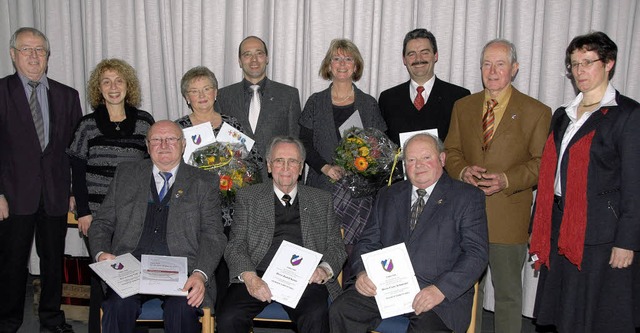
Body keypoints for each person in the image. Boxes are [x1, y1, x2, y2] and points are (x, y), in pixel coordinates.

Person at [529, 31, 640, 332]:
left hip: (601, 236)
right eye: (574, 64)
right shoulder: (562, 114)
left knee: (594, 317)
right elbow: (549, 175)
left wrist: (626, 242)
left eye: (588, 62)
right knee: (564, 314)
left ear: (609, 64)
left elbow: (635, 185)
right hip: (559, 227)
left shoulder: (627, 115)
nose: (579, 71)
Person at [329, 133, 488, 333]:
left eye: (426, 157)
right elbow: (367, 242)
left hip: (436, 297)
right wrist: (362, 272)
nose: (418, 165)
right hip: (385, 288)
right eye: (411, 160)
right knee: (341, 310)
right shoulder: (388, 194)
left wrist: (440, 290)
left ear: (442, 159)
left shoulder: (467, 197)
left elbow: (476, 254)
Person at [443, 39, 551, 332]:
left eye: (500, 64)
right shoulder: (462, 107)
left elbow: (543, 163)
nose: (492, 71)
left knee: (507, 295)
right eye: (487, 64)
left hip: (508, 217)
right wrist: (462, 170)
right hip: (465, 216)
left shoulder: (537, 111)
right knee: (466, 291)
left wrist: (506, 180)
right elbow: (450, 151)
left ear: (514, 69)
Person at [88, 120, 226, 333]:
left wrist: (200, 274)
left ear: (183, 144)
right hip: (131, 268)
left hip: (184, 272)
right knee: (117, 306)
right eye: (156, 140)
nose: (163, 145)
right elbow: (102, 223)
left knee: (181, 310)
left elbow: (213, 235)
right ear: (147, 144)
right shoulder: (126, 174)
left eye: (171, 139)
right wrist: (100, 254)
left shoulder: (204, 182)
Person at [216, 136, 347, 333]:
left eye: (292, 161)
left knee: (316, 314)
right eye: (279, 161)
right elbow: (235, 245)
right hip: (257, 273)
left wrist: (323, 270)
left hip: (304, 278)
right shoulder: (248, 197)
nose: (286, 167)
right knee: (228, 317)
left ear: (301, 167)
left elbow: (336, 246)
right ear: (269, 166)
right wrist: (251, 279)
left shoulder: (321, 199)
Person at [0, 27, 83, 333]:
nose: (34, 56)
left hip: (55, 194)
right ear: (13, 55)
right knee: (11, 264)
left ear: (48, 57)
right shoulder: (1, 92)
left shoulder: (67, 95)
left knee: (53, 262)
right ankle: (7, 321)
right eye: (26, 49)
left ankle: (51, 318)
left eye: (40, 50)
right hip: (13, 196)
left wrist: (73, 190)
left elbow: (75, 150)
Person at [67, 58, 154, 332]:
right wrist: (83, 211)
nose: (113, 87)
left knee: (131, 273)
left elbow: (153, 169)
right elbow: (77, 171)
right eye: (106, 81)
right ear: (99, 88)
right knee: (102, 278)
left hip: (134, 214)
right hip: (96, 214)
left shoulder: (144, 122)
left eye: (119, 81)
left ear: (128, 86)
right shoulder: (87, 125)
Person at [299, 39, 386, 266]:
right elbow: (303, 143)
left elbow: (379, 148)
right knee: (320, 249)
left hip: (359, 192)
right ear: (328, 66)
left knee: (354, 252)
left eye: (348, 59)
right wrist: (325, 167)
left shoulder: (368, 104)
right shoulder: (315, 102)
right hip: (322, 185)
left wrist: (362, 166)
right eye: (336, 58)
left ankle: (348, 297)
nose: (342, 64)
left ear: (356, 66)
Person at [175, 65, 264, 228]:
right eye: (194, 91)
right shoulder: (178, 128)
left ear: (215, 93)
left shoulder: (232, 124)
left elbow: (254, 159)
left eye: (207, 88)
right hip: (194, 207)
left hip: (232, 208)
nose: (202, 95)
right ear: (187, 97)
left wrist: (238, 173)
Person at [216, 36, 301, 180]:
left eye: (259, 53)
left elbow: (296, 142)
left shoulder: (288, 94)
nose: (254, 60)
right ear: (239, 61)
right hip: (236, 181)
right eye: (247, 54)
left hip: (277, 180)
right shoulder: (223, 96)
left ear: (267, 58)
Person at [378, 28, 470, 145]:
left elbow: (465, 146)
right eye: (411, 54)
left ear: (435, 56)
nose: (418, 59)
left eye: (425, 52)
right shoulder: (388, 99)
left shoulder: (459, 97)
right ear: (404, 59)